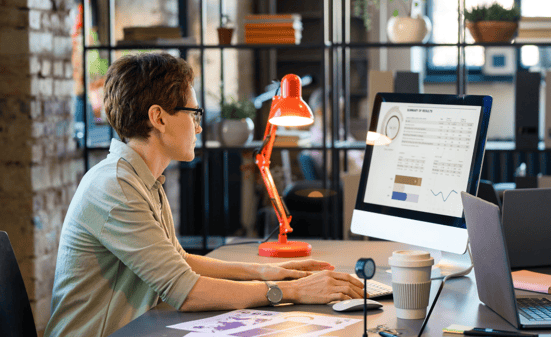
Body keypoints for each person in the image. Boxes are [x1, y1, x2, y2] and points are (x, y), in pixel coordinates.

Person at [44, 53, 364, 337]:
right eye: (194, 114)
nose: (198, 128)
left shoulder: (140, 178)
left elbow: (178, 262)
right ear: (159, 118)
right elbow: (186, 292)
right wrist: (292, 290)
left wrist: (271, 272)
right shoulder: (115, 188)